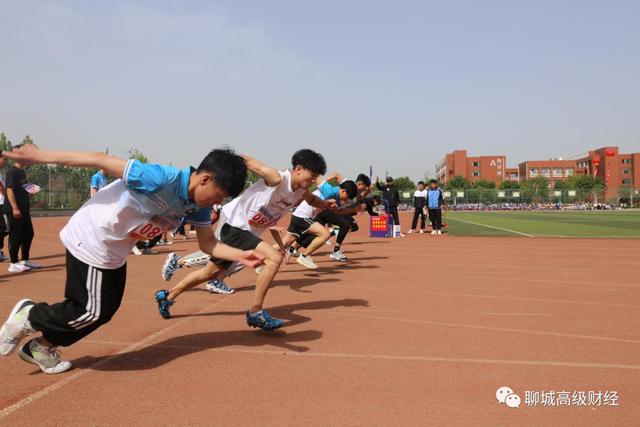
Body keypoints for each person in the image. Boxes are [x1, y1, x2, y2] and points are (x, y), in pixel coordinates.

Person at [0, 144, 263, 374]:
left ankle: (40, 346)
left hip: (115, 248)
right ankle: (30, 315)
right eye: (219, 195)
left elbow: (208, 243)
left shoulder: (198, 205)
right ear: (205, 179)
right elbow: (98, 159)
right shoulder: (160, 178)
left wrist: (241, 255)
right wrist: (39, 156)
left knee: (104, 311)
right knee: (90, 310)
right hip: (93, 236)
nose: (217, 202)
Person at [155, 149, 334, 327]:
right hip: (236, 226)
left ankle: (168, 296)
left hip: (248, 232)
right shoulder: (276, 178)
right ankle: (256, 312)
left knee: (209, 273)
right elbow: (248, 162)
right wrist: (225, 161)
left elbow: (312, 200)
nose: (313, 180)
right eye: (313, 175)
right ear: (299, 169)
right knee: (274, 258)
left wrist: (325, 204)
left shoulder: (300, 192)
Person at [287, 173, 359, 266]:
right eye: (348, 197)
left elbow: (338, 212)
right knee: (325, 234)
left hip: (305, 216)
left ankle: (271, 257)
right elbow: (316, 176)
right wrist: (310, 180)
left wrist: (354, 210)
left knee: (287, 241)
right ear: (344, 191)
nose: (347, 200)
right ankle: (304, 256)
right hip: (303, 215)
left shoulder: (337, 198)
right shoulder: (329, 190)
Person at [2, 144, 40, 273]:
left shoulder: (22, 171)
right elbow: (10, 189)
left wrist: (32, 188)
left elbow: (22, 186)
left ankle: (25, 260)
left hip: (24, 208)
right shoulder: (12, 171)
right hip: (14, 209)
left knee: (28, 234)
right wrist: (15, 208)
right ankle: (13, 263)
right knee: (16, 235)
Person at [0, 157, 8, 261]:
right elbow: (1, 187)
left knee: (4, 228)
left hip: (2, 202)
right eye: (3, 159)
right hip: (1, 203)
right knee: (4, 227)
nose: (4, 161)